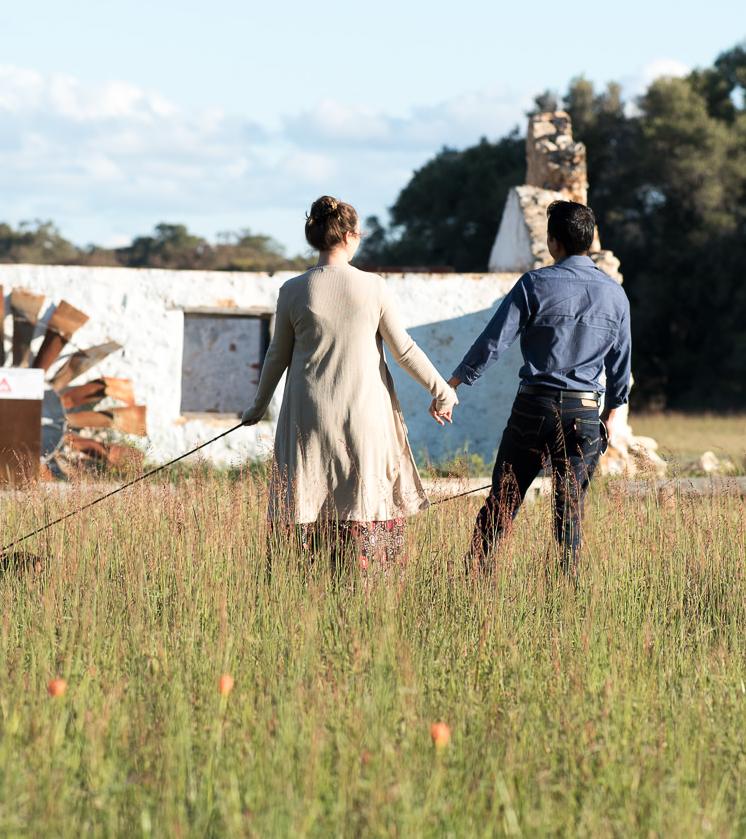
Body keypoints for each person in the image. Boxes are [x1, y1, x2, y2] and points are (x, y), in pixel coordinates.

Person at [239, 196, 457, 565]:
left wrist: (256, 408)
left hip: (307, 422)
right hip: (363, 421)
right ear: (351, 236)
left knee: (306, 506)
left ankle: (303, 593)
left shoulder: (292, 290)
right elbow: (404, 350)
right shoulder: (373, 287)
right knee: (362, 505)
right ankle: (364, 598)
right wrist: (443, 391)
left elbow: (277, 355)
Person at [449, 200, 632, 570]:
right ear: (591, 239)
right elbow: (620, 368)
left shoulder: (534, 283)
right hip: (584, 414)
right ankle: (565, 602)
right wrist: (611, 413)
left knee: (501, 505)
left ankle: (471, 586)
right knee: (570, 516)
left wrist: (453, 383)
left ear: (553, 242)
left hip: (533, 408)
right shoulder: (616, 295)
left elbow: (492, 342)